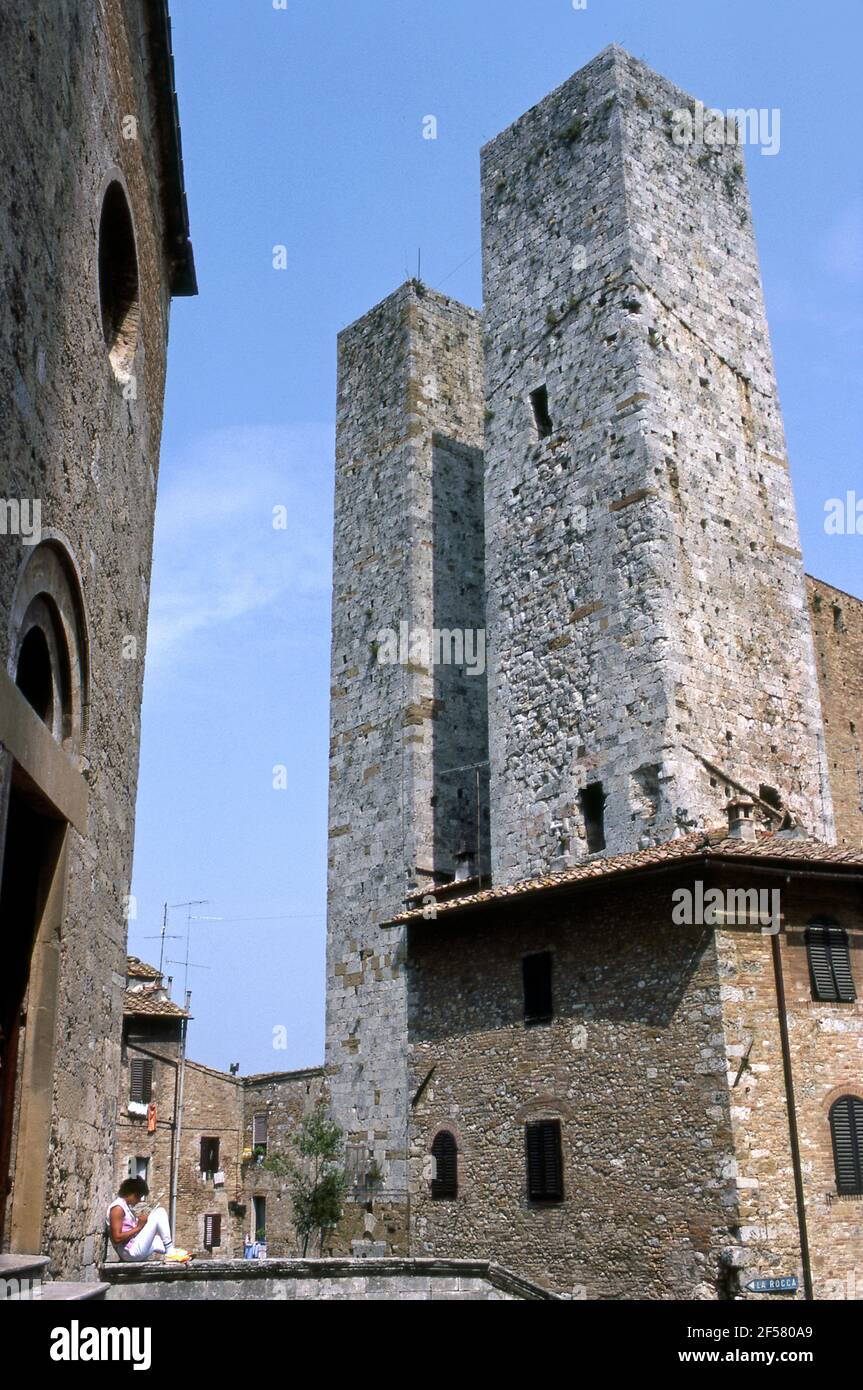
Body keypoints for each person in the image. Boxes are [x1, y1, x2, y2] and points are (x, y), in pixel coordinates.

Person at [107, 1178, 192, 1262]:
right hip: (130, 1252)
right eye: (139, 1197)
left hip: (130, 1251)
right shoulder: (117, 1208)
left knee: (157, 1240)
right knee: (159, 1212)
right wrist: (139, 1227)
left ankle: (175, 1252)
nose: (139, 1201)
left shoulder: (125, 1206)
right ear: (133, 1194)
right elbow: (116, 1238)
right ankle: (170, 1252)